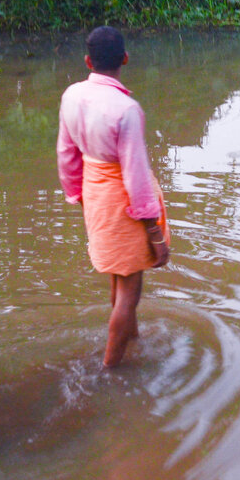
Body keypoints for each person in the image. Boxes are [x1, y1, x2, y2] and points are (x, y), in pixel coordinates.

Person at [57, 26, 170, 367]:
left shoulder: (72, 96)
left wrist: (78, 195)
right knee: (130, 289)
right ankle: (110, 370)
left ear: (88, 61)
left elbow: (66, 153)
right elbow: (135, 177)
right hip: (123, 200)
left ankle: (130, 339)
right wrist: (156, 234)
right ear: (125, 59)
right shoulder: (126, 109)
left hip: (94, 191)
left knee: (119, 278)